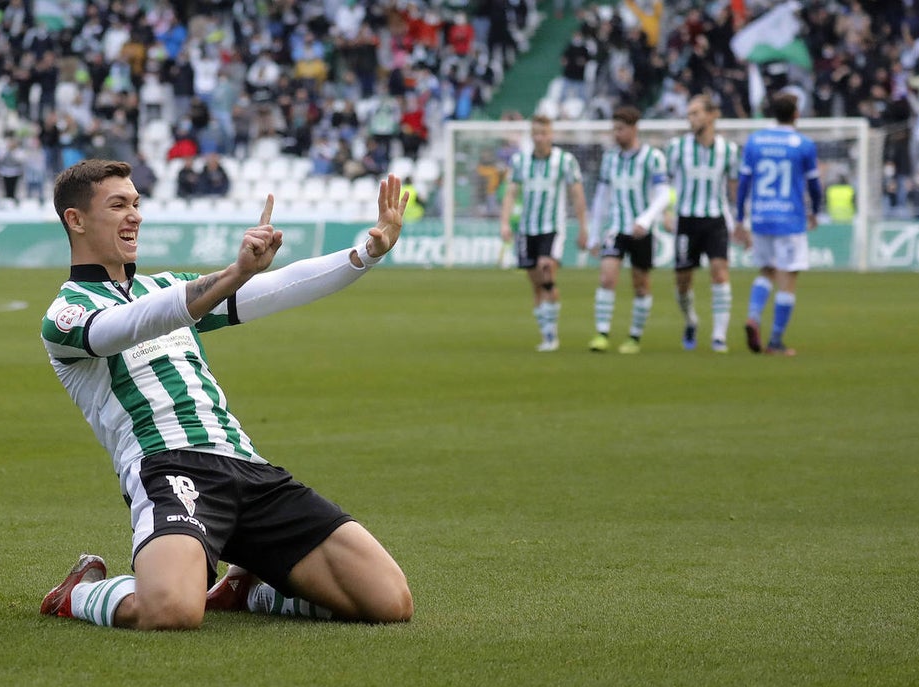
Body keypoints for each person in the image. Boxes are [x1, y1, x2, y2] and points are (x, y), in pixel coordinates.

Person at [38, 159, 413, 630]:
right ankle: (82, 592)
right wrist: (234, 273)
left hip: (247, 469)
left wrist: (364, 254)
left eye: (136, 203)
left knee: (389, 602)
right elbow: (133, 321)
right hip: (168, 467)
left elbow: (278, 287)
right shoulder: (66, 315)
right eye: (118, 205)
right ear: (76, 220)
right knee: (171, 612)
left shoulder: (170, 288)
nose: (135, 214)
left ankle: (251, 591)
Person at [735, 92, 821, 357]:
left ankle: (753, 316)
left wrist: (740, 218)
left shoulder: (756, 140)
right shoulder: (803, 144)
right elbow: (814, 186)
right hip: (790, 219)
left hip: (761, 216)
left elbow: (744, 183)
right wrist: (814, 212)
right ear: (796, 114)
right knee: (787, 280)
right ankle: (775, 341)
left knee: (765, 271)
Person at [500, 115, 588, 352]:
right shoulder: (520, 161)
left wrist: (583, 227)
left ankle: (552, 334)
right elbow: (510, 193)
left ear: (551, 135)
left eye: (544, 133)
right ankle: (546, 333)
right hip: (527, 230)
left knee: (546, 271)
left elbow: (577, 195)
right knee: (536, 284)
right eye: (536, 133)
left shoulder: (565, 161)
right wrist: (505, 223)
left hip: (552, 228)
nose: (540, 138)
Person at [585, 106, 669, 354]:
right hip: (616, 227)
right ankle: (601, 333)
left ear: (634, 129)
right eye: (614, 129)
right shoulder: (610, 159)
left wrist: (646, 219)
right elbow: (602, 197)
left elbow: (663, 194)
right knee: (607, 277)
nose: (616, 134)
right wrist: (593, 233)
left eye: (620, 129)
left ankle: (634, 336)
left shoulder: (653, 158)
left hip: (641, 230)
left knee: (641, 284)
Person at [665, 94, 745, 354]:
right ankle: (690, 320)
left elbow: (734, 189)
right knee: (682, 281)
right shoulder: (677, 148)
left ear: (712, 115)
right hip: (686, 220)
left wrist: (741, 222)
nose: (691, 119)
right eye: (689, 114)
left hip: (715, 219)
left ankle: (719, 335)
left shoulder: (729, 150)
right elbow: (664, 183)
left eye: (696, 113)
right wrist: (666, 211)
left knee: (720, 272)